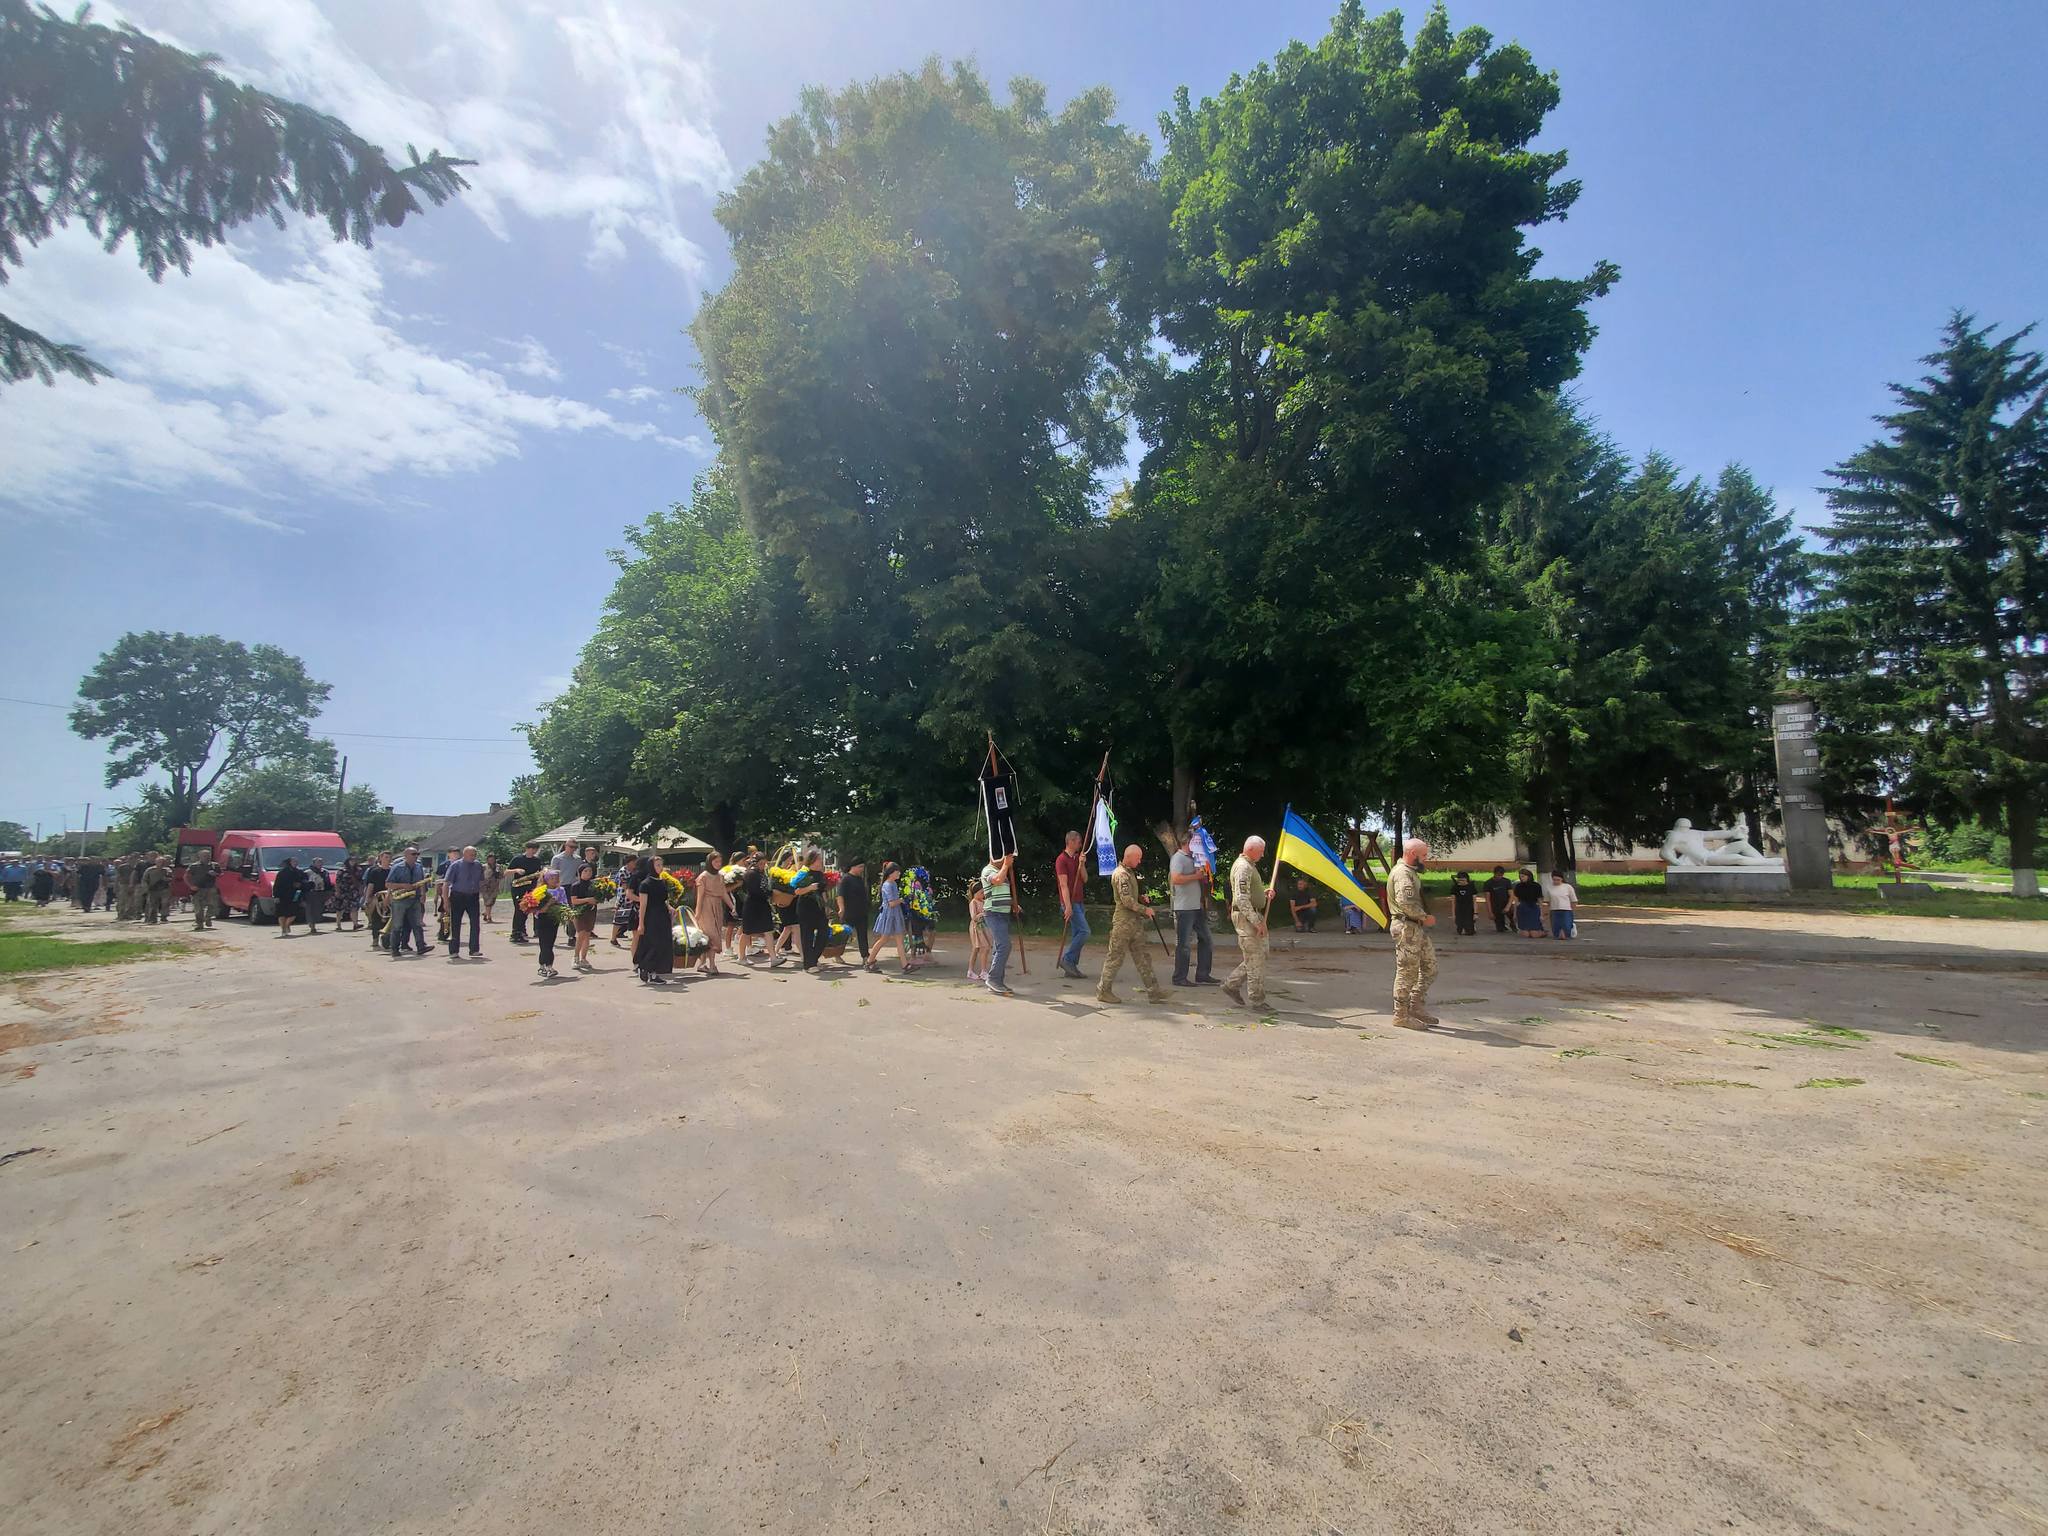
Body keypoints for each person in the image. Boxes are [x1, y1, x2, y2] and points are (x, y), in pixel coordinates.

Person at [1098, 843, 1168, 1005]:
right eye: (1138, 858)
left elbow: (1131, 897)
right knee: (1115, 957)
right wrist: (1145, 909)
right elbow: (1126, 900)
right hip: (1123, 923)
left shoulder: (1129, 872)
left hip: (1134, 923)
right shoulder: (1121, 874)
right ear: (1129, 857)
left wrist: (1141, 899)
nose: (1140, 861)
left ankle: (1154, 992)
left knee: (1143, 957)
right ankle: (1103, 990)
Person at [1387, 839, 1440, 1030]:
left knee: (1430, 967)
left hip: (1414, 927)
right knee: (1407, 972)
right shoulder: (1402, 874)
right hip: (1406, 927)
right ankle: (1400, 1015)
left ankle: (1415, 1006)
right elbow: (1405, 903)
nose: (1425, 858)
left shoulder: (1410, 872)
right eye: (1423, 855)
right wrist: (1424, 917)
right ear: (1412, 854)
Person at [1221, 836, 1269, 1009]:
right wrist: (1256, 921)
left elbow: (1248, 892)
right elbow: (1241, 898)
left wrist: (1263, 894)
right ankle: (1257, 1000)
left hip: (1252, 915)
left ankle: (1232, 984)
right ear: (1250, 849)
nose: (1262, 855)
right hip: (1246, 918)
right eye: (1260, 851)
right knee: (1255, 957)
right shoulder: (1243, 867)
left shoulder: (1249, 865)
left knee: (1259, 955)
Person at [1169, 828, 1216, 987]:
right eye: (1196, 842)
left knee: (1206, 939)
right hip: (1184, 907)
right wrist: (1196, 876)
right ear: (1188, 843)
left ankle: (1203, 974)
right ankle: (1179, 977)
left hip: (1196, 906)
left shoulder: (1195, 858)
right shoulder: (1178, 858)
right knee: (1184, 944)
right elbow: (1176, 879)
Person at [631, 858, 676, 985]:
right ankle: (644, 967)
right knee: (653, 944)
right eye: (657, 865)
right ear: (651, 866)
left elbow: (663, 899)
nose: (660, 867)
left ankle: (654, 973)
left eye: (661, 865)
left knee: (663, 944)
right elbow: (643, 905)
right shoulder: (645, 884)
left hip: (663, 915)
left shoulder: (662, 882)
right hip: (651, 916)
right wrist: (641, 923)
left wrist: (670, 907)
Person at [979, 851, 1016, 996]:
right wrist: (1006, 865)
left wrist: (1013, 903)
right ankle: (993, 979)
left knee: (998, 948)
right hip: (994, 913)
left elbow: (1001, 891)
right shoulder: (987, 870)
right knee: (1004, 945)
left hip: (1003, 913)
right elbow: (997, 881)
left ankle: (997, 982)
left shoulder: (1001, 871)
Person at [1054, 830, 1089, 979]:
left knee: (1077, 933)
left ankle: (1071, 966)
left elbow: (1085, 879)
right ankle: (1067, 960)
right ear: (1071, 842)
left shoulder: (1077, 858)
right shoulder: (1061, 860)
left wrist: (1082, 865)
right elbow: (1063, 885)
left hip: (1079, 901)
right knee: (1084, 932)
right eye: (1078, 842)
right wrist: (1067, 906)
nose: (1080, 845)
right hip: (1070, 902)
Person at [866, 861, 911, 974]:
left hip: (895, 914)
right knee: (884, 939)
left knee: (899, 940)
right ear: (891, 873)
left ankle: (905, 965)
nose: (899, 873)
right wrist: (902, 900)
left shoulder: (893, 884)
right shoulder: (887, 885)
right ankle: (869, 961)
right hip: (889, 915)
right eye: (897, 872)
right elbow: (891, 903)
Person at [385, 847, 431, 957]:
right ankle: (395, 949)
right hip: (400, 899)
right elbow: (388, 884)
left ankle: (421, 947)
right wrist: (403, 886)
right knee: (397, 925)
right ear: (406, 856)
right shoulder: (397, 867)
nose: (416, 856)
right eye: (413, 854)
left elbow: (421, 882)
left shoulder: (419, 867)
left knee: (417, 924)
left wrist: (423, 894)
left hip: (415, 899)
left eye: (417, 854)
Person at [443, 845, 484, 958]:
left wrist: (481, 894)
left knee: (475, 923)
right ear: (464, 854)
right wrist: (446, 901)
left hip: (473, 896)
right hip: (458, 896)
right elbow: (446, 883)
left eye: (474, 855)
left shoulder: (478, 865)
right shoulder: (456, 865)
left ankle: (474, 949)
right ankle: (454, 951)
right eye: (471, 855)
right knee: (455, 923)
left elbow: (481, 881)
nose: (473, 857)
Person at [795, 847, 833, 971]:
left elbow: (823, 891)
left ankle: (813, 958)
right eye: (818, 859)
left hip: (819, 907)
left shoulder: (820, 874)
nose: (820, 861)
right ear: (812, 861)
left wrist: (826, 906)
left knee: (824, 933)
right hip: (806, 907)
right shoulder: (804, 873)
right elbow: (797, 891)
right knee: (807, 936)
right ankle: (809, 964)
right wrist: (810, 888)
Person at [694, 854, 727, 975]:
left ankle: (702, 964)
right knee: (712, 935)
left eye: (720, 861)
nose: (718, 864)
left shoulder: (720, 876)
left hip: (717, 907)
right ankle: (712, 965)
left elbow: (723, 893)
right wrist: (698, 912)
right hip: (706, 908)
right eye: (716, 861)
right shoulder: (703, 877)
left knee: (710, 935)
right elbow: (700, 896)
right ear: (710, 862)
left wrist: (732, 906)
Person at [738, 854, 774, 964]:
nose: (763, 865)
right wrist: (769, 894)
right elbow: (755, 891)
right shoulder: (751, 874)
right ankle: (741, 957)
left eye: (764, 863)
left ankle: (773, 958)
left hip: (762, 905)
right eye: (761, 863)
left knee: (768, 930)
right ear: (755, 863)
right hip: (752, 905)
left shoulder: (761, 873)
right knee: (747, 932)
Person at [507, 843, 544, 945]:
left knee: (527, 910)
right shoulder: (517, 859)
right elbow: (506, 872)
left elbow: (539, 873)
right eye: (532, 849)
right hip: (518, 888)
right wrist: (516, 870)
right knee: (519, 910)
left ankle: (521, 931)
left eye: (535, 849)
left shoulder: (537, 860)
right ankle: (515, 933)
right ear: (527, 849)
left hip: (531, 888)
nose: (534, 851)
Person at [836, 860, 870, 966]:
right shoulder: (846, 879)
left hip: (861, 912)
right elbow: (840, 895)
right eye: (860, 867)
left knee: (862, 935)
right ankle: (836, 953)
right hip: (850, 912)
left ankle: (865, 956)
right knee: (845, 934)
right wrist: (841, 908)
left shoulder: (859, 879)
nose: (862, 869)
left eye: (863, 867)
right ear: (853, 867)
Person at [567, 861, 600, 971]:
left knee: (587, 934)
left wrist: (597, 899)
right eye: (585, 871)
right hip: (579, 912)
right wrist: (587, 900)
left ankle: (584, 958)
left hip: (591, 911)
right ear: (580, 873)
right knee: (581, 934)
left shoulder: (594, 885)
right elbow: (574, 901)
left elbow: (598, 897)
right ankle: (575, 957)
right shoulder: (575, 885)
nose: (588, 873)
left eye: (590, 871)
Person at [534, 869, 566, 979]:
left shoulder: (561, 890)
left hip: (554, 918)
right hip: (543, 918)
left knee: (550, 943)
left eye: (556, 878)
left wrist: (562, 908)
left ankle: (546, 966)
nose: (555, 880)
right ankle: (545, 966)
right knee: (544, 943)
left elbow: (564, 903)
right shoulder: (541, 891)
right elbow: (538, 909)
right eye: (552, 878)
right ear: (546, 879)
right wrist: (549, 903)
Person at [363, 851, 392, 949]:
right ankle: (375, 940)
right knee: (376, 919)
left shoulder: (393, 870)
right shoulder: (374, 871)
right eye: (386, 857)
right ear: (380, 858)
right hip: (377, 898)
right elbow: (370, 885)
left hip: (390, 897)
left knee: (389, 919)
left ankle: (387, 940)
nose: (388, 859)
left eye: (389, 857)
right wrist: (367, 899)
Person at [272, 857, 303, 937]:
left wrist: (300, 885)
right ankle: (283, 929)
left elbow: (302, 881)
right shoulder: (282, 872)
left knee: (293, 913)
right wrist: (276, 896)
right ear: (289, 862)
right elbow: (277, 885)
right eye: (294, 861)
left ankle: (287, 925)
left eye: (296, 861)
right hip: (282, 895)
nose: (296, 863)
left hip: (294, 895)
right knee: (281, 914)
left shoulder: (299, 872)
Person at [189, 850, 220, 930]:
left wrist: (215, 874)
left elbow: (221, 874)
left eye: (208, 855)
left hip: (211, 888)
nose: (207, 857)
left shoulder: (215, 865)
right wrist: (191, 886)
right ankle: (199, 923)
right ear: (200, 856)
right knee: (198, 907)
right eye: (205, 856)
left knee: (213, 905)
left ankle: (208, 918)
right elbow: (186, 876)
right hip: (198, 888)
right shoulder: (194, 866)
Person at [610, 866, 640, 948]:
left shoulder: (634, 870)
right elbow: (624, 885)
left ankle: (632, 937)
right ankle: (613, 938)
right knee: (618, 919)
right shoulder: (623, 871)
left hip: (631, 898)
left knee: (631, 918)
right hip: (623, 897)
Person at [966, 880, 989, 984]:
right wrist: (982, 914)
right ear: (975, 893)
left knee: (982, 948)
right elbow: (974, 917)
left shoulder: (983, 902)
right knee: (980, 948)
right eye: (981, 892)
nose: (983, 895)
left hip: (983, 927)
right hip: (976, 928)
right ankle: (980, 971)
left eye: (984, 892)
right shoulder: (973, 902)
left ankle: (975, 971)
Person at [1546, 870, 1579, 940]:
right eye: (1554, 880)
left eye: (1558, 880)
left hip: (1566, 910)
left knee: (1566, 931)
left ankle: (1570, 930)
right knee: (1556, 933)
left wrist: (1572, 910)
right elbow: (1548, 901)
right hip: (1554, 910)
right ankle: (1558, 933)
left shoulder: (1568, 887)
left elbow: (1574, 900)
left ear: (1562, 879)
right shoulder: (1549, 887)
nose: (1556, 881)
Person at [1512, 868, 1544, 939]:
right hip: (1523, 908)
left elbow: (1540, 900)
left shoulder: (1536, 886)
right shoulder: (1518, 886)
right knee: (1525, 934)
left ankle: (1542, 932)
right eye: (1520, 876)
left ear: (1528, 876)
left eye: (1523, 876)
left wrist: (1541, 914)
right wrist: (1515, 913)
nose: (1521, 878)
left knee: (1534, 934)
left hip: (1533, 908)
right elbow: (1516, 901)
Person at [302, 857, 331, 933]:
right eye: (318, 862)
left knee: (318, 910)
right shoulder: (307, 872)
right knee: (310, 910)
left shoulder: (325, 872)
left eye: (321, 862)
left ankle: (314, 922)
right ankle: (312, 926)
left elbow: (328, 884)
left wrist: (329, 895)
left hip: (322, 893)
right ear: (313, 863)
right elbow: (303, 885)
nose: (320, 864)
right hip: (311, 893)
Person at [335, 857, 364, 930]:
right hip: (343, 891)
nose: (353, 862)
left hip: (354, 891)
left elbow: (361, 881)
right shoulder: (342, 870)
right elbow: (337, 882)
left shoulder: (358, 870)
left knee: (354, 907)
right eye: (351, 860)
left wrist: (361, 890)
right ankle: (338, 924)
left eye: (354, 860)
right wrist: (337, 891)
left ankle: (355, 924)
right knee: (340, 908)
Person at [1484, 865, 1512, 934]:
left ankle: (1512, 923)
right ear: (1494, 873)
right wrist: (1490, 912)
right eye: (1498, 875)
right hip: (1496, 905)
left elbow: (1511, 895)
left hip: (1505, 903)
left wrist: (1508, 906)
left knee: (1512, 912)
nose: (1499, 877)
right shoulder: (1488, 883)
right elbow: (1487, 899)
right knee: (1500, 929)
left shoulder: (1507, 881)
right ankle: (1502, 925)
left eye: (1501, 875)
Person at [1451, 871, 1477, 936]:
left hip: (1469, 909)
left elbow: (1474, 901)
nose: (1461, 882)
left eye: (1463, 880)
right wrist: (1453, 914)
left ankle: (1472, 926)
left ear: (1467, 879)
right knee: (1461, 932)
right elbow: (1453, 902)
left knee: (1469, 932)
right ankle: (1461, 927)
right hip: (1459, 909)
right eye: (1459, 880)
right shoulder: (1455, 887)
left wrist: (1475, 913)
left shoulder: (1471, 887)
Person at [480, 855, 503, 922]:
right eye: (489, 859)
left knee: (492, 901)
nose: (491, 861)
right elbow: (479, 875)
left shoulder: (498, 867)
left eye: (492, 859)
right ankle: (489, 917)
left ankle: (486, 913)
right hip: (485, 887)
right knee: (488, 901)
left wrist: (499, 875)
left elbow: (502, 875)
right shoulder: (483, 866)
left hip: (494, 886)